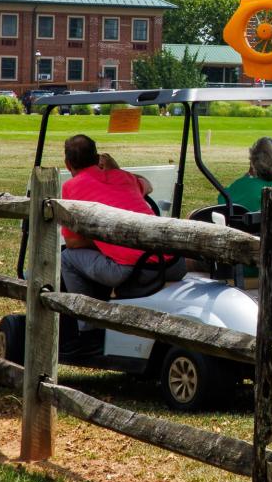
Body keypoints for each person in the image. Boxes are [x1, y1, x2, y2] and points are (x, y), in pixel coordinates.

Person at [60, 135, 187, 348]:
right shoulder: (124, 178)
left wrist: (99, 242)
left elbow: (72, 242)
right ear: (98, 158)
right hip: (172, 263)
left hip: (133, 271)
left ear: (67, 164)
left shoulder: (71, 187)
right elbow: (147, 185)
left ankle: (87, 331)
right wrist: (116, 169)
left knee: (66, 258)